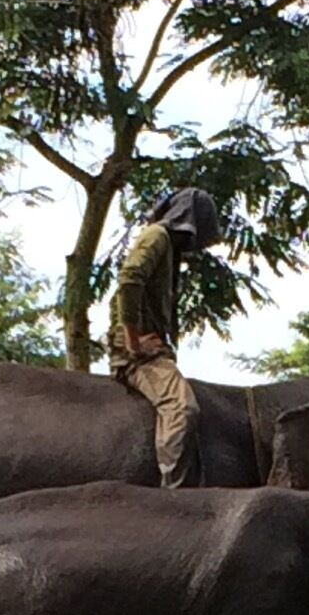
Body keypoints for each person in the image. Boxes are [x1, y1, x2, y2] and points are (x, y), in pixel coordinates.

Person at [108, 187, 221, 487]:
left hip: (155, 350)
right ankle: (173, 496)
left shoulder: (167, 247)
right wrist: (133, 342)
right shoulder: (157, 235)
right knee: (181, 408)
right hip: (139, 354)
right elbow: (130, 279)